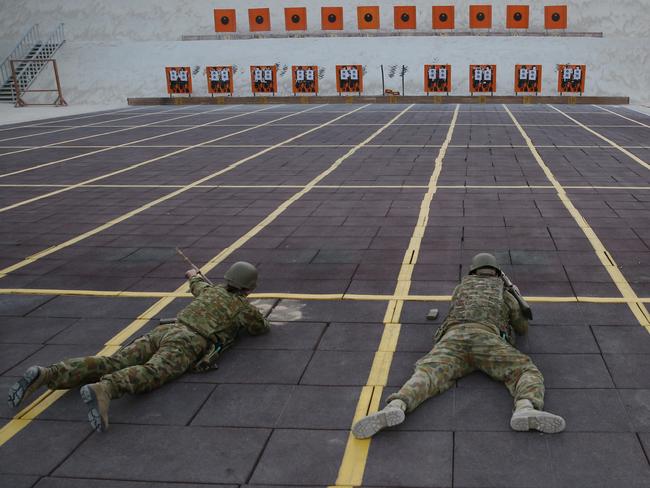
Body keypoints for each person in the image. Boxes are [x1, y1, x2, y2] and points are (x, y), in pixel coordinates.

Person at [8, 261, 270, 433]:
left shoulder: (208, 291)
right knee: (153, 372)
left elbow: (195, 280)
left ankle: (49, 373)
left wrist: (194, 274)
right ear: (249, 288)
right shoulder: (242, 308)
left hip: (164, 330)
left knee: (114, 361)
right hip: (187, 341)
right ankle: (106, 389)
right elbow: (260, 328)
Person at [352, 253, 566, 438]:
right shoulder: (504, 292)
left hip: (453, 338)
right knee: (524, 370)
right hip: (485, 340)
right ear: (496, 272)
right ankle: (525, 407)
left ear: (473, 271)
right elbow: (521, 327)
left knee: (427, 373)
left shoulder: (460, 288)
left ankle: (397, 405)